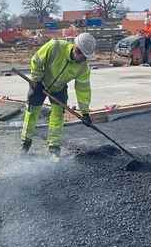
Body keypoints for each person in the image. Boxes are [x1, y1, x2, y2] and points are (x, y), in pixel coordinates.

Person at [20, 32, 96, 161]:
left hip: (59, 88)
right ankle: (25, 143)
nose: (82, 59)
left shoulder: (83, 67)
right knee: (32, 112)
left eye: (85, 57)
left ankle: (54, 148)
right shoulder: (55, 46)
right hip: (40, 83)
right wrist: (36, 80)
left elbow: (83, 89)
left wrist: (85, 113)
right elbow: (36, 60)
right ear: (75, 48)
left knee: (58, 117)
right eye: (81, 54)